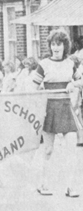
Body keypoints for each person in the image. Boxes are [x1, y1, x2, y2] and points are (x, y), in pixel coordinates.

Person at [32, 29, 81, 197]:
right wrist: (39, 96)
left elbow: (80, 79)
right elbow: (31, 87)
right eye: (53, 44)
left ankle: (70, 186)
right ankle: (42, 184)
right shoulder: (44, 64)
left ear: (64, 46)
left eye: (58, 44)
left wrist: (74, 84)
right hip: (49, 109)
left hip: (66, 109)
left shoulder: (70, 63)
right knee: (48, 150)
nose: (55, 48)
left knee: (71, 148)